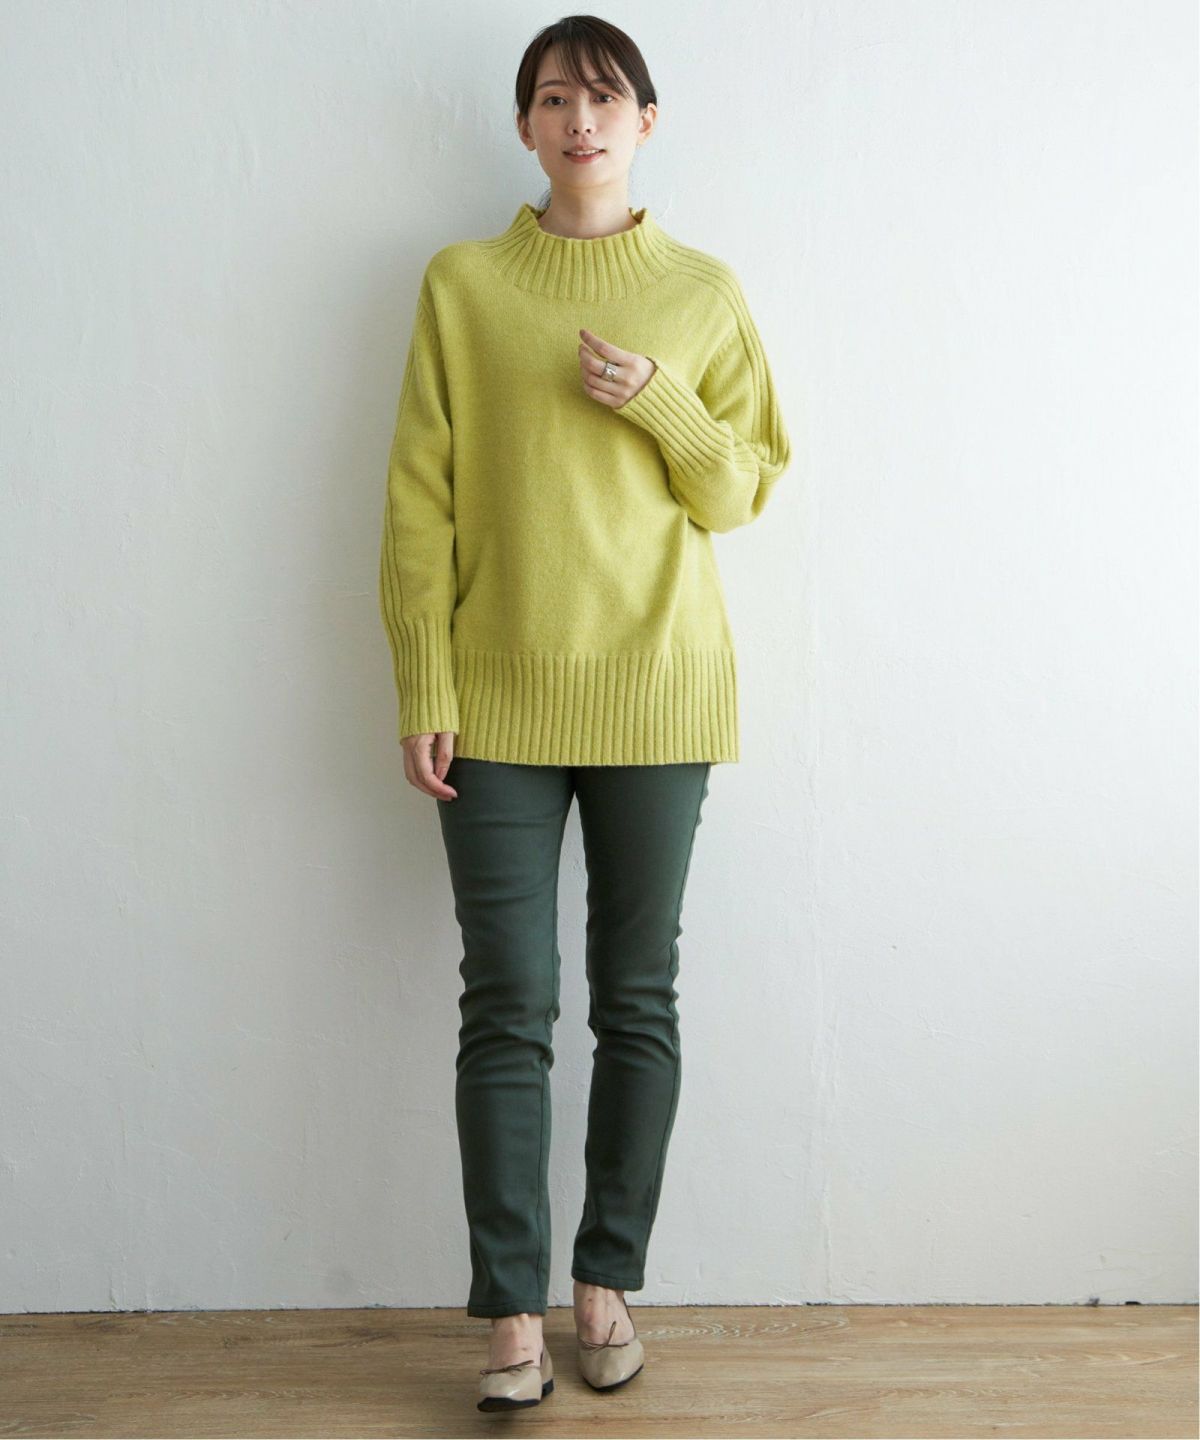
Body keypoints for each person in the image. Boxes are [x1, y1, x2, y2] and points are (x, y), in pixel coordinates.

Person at [378, 14, 791, 1413]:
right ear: (525, 126)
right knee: (507, 1003)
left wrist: (659, 403)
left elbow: (741, 490)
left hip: (659, 694)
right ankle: (510, 1312)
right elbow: (420, 502)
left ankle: (605, 1281)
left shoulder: (702, 293)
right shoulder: (465, 284)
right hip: (495, 701)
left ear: (647, 122)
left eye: (606, 98)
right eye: (554, 99)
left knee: (637, 999)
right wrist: (425, 683)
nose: (581, 121)